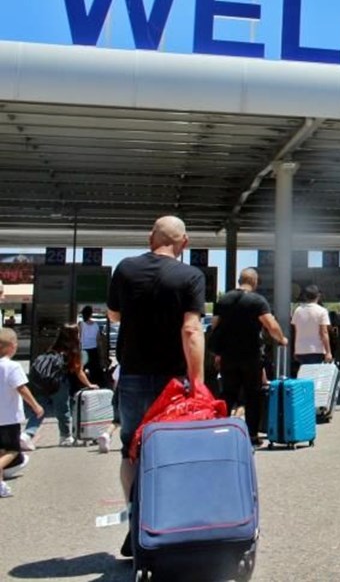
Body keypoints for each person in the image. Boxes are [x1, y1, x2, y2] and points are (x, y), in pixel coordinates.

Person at [107, 215, 206, 557]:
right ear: (185, 242)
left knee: (130, 451)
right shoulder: (190, 276)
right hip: (173, 381)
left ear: (151, 237)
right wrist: (198, 381)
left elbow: (114, 316)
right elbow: (191, 330)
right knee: (175, 451)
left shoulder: (125, 268)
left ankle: (137, 525)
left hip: (132, 375)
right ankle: (170, 527)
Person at [210, 268, 287, 446]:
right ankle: (252, 435)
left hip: (228, 355)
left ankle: (219, 430)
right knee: (253, 395)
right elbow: (271, 324)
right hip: (251, 356)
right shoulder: (258, 301)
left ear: (239, 280)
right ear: (255, 282)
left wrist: (218, 353)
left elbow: (215, 326)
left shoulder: (224, 299)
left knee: (228, 393)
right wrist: (282, 339)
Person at [23, 324, 98, 448]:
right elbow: (79, 372)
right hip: (58, 383)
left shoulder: (53, 348)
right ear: (75, 335)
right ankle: (65, 436)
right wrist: (89, 384)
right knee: (63, 410)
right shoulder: (73, 350)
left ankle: (26, 435)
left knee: (39, 409)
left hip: (41, 383)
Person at [2, 327, 43, 497]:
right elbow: (21, 388)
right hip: (8, 418)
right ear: (12, 346)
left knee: (3, 452)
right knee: (13, 450)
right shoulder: (12, 366)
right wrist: (35, 405)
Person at [291, 285, 332, 370]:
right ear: (318, 296)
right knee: (314, 377)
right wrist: (328, 352)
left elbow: (296, 331)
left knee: (304, 376)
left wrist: (295, 349)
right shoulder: (322, 311)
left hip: (301, 350)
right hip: (316, 350)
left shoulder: (298, 310)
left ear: (305, 296)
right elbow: (324, 332)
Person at [79, 306, 108, 388]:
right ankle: (97, 385)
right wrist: (101, 353)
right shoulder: (95, 325)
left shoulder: (81, 324)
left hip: (84, 349)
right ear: (91, 314)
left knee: (82, 369)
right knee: (95, 370)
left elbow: (79, 337)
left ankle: (83, 384)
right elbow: (98, 340)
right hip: (94, 349)